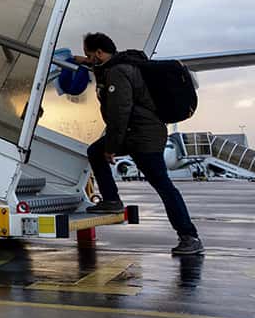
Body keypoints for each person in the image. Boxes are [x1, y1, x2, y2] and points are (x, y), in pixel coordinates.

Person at [75, 32, 203, 256]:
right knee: (94, 151)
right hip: (138, 134)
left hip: (143, 137)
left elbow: (120, 112)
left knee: (163, 186)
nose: (89, 59)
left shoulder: (117, 73)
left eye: (90, 55)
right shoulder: (121, 64)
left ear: (99, 53)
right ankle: (112, 200)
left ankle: (189, 236)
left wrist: (111, 147)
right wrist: (84, 62)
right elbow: (101, 70)